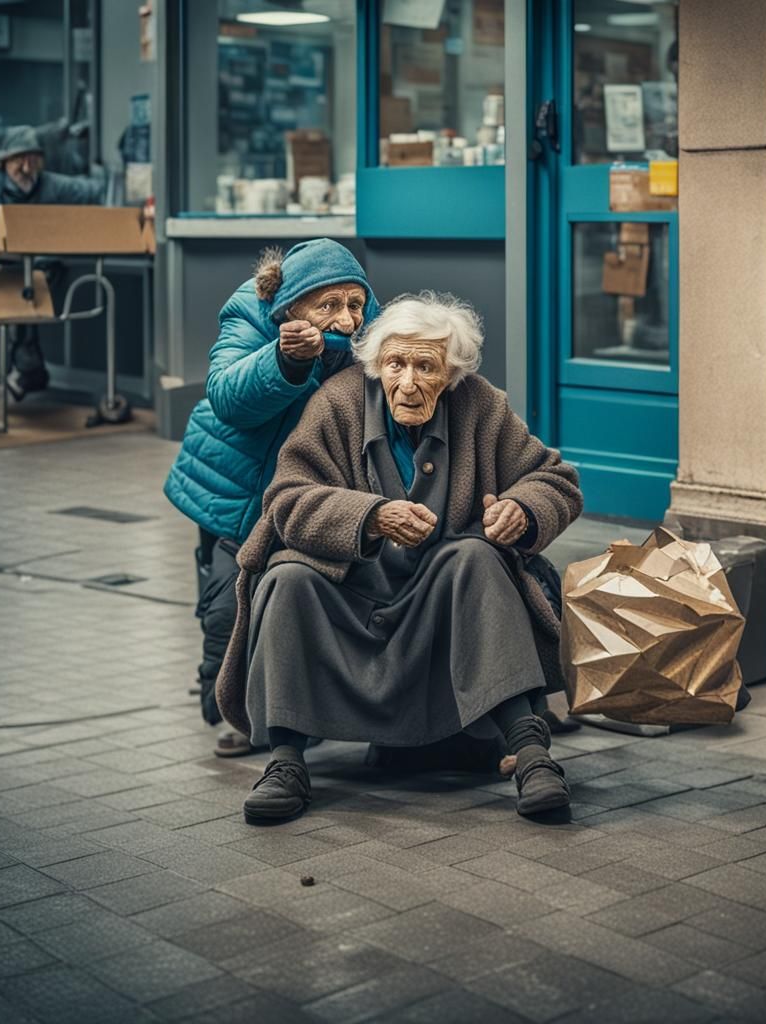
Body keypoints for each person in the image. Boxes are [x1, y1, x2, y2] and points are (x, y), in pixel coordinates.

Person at [216, 291, 583, 821]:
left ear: (451, 373)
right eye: (395, 364)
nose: (408, 383)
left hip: (440, 608)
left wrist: (524, 510)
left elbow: (556, 480)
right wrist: (368, 516)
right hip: (351, 599)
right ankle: (285, 761)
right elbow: (285, 498)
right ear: (376, 364)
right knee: (287, 577)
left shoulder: (480, 405)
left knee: (476, 558)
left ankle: (531, 754)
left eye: (425, 367)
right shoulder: (338, 402)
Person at [163, 239, 379, 756]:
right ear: (292, 305)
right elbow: (227, 396)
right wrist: (283, 361)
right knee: (225, 609)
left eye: (355, 304)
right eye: (329, 306)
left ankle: (294, 708)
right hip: (236, 490)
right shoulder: (252, 312)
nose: (347, 320)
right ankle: (232, 709)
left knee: (301, 600)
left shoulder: (370, 325)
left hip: (307, 496)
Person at [0, 125, 105, 418]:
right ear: (5, 162)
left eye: (33, 158)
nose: (27, 167)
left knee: (20, 305)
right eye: (19, 159)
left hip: (26, 273)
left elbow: (95, 189)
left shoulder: (51, 185)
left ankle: (18, 374)